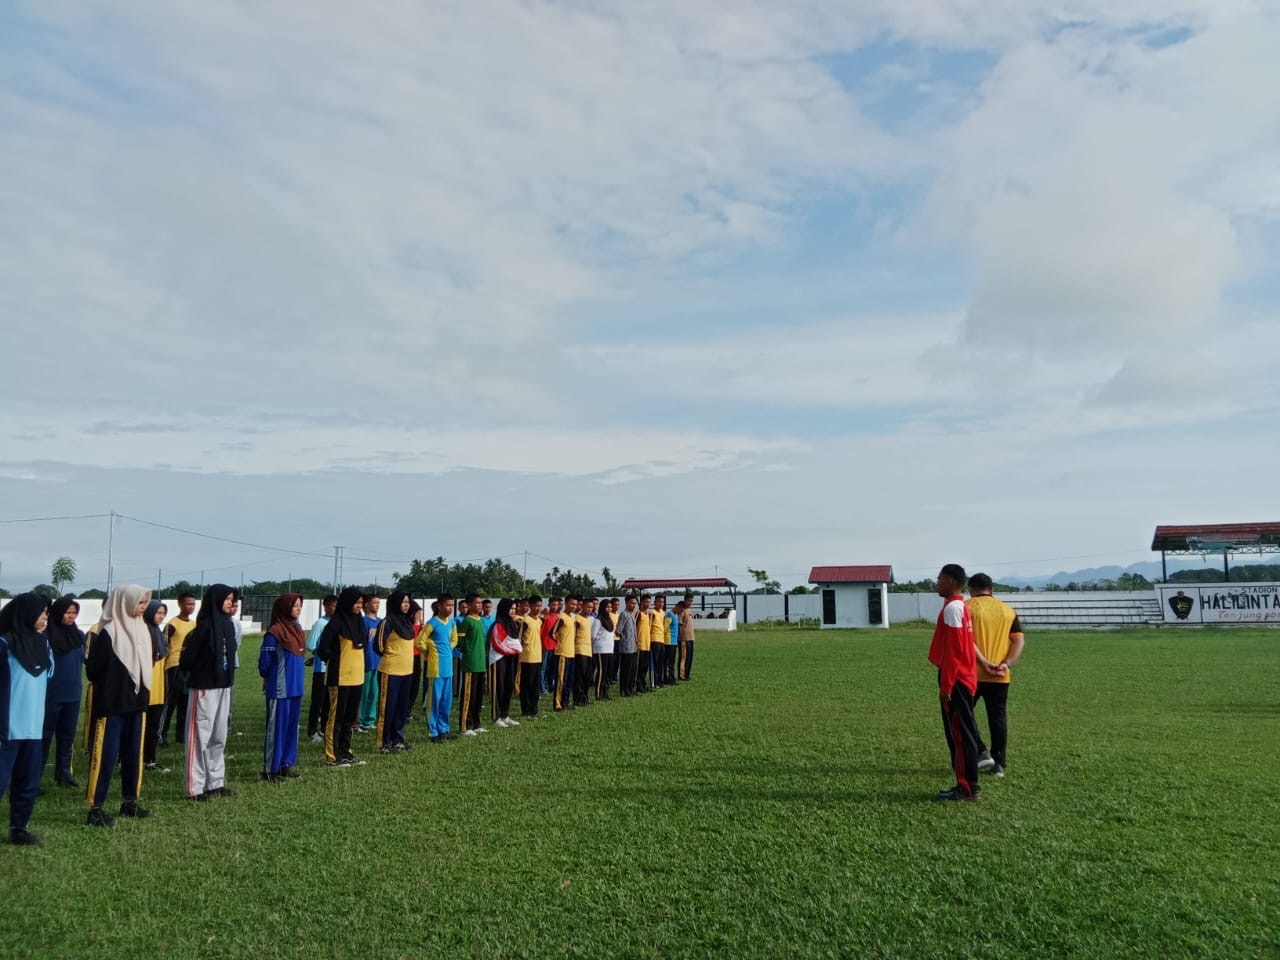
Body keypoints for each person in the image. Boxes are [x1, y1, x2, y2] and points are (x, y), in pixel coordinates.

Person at [85, 583, 155, 824]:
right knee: (106, 755)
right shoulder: (109, 632)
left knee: (133, 754)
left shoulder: (143, 629)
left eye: (145, 603)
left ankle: (129, 801)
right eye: (139, 602)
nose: (142, 607)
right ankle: (96, 807)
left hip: (137, 703)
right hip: (112, 704)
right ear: (124, 602)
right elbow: (93, 670)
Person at [1, 593, 52, 844]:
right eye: (41, 611)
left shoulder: (44, 644)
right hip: (6, 728)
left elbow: (46, 678)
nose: (45, 616)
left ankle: (19, 828)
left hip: (33, 727)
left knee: (28, 782)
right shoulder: (4, 644)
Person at [181, 584, 240, 801]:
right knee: (198, 737)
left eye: (231, 599)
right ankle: (194, 787)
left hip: (223, 685)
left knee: (219, 736)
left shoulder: (228, 625)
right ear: (215, 600)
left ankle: (215, 782)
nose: (230, 603)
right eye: (226, 599)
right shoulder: (204, 627)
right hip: (204, 687)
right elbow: (187, 659)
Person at [929, 564, 981, 801]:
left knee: (960, 735)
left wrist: (946, 686)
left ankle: (966, 787)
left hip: (956, 680)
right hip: (964, 678)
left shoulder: (953, 609)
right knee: (965, 733)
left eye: (939, 579)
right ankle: (970, 785)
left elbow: (953, 653)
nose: (936, 583)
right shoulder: (961, 606)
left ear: (950, 581)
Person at [966, 573, 1026, 779]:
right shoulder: (1008, 610)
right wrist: (1006, 664)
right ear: (991, 590)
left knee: (961, 713)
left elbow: (966, 640)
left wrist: (983, 662)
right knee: (998, 718)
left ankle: (981, 751)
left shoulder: (967, 607)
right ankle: (999, 764)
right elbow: (1018, 641)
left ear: (970, 589)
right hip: (1000, 675)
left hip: (971, 673)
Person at [317, 587, 368, 767]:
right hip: (339, 677)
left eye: (361, 603)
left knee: (349, 718)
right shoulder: (336, 623)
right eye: (356, 603)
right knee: (336, 717)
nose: (359, 606)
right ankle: (333, 755)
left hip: (357, 676)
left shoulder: (360, 622)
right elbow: (323, 649)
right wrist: (335, 658)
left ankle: (346, 751)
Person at [259, 593, 306, 782]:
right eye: (295, 606)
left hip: (296, 687)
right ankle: (271, 769)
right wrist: (268, 679)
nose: (298, 609)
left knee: (292, 728)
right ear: (285, 608)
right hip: (280, 689)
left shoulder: (298, 629)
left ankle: (286, 764)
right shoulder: (275, 632)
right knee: (276, 730)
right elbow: (265, 663)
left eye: (300, 606)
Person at [42, 595, 85, 789]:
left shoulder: (79, 636)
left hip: (73, 693)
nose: (71, 616)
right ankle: (35, 776)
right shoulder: (47, 637)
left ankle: (63, 774)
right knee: (44, 737)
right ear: (58, 613)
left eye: (74, 613)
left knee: (67, 737)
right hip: (51, 694)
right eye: (67, 612)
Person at [374, 590, 416, 754]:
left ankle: (397, 739)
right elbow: (378, 645)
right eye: (403, 602)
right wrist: (391, 655)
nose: (406, 605)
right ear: (395, 603)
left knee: (401, 707)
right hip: (390, 671)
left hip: (407, 671)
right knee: (387, 708)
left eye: (408, 602)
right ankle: (383, 742)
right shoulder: (387, 621)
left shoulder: (407, 622)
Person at [159, 592, 197, 746]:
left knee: (185, 702)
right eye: (188, 603)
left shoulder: (194, 624)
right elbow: (163, 645)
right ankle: (161, 734)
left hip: (188, 667)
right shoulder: (172, 624)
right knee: (170, 702)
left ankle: (181, 735)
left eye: (193, 604)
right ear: (180, 604)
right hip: (174, 665)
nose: (191, 607)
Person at [423, 596, 458, 743]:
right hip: (435, 669)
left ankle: (444, 729)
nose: (450, 608)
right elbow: (420, 641)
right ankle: (433, 731)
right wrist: (431, 648)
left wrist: (448, 648)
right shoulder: (432, 623)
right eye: (447, 605)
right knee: (434, 701)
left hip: (448, 668)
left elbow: (455, 640)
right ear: (439, 606)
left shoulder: (452, 622)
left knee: (446, 700)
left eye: (452, 605)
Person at [142, 600, 170, 773]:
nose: (160, 616)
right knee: (139, 728)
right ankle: (130, 760)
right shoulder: (143, 632)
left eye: (162, 613)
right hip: (145, 689)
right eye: (158, 613)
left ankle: (150, 760)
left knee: (153, 727)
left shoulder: (159, 633)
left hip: (158, 689)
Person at [306, 595, 338, 743]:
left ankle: (325, 730)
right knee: (317, 701)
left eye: (336, 605)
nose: (335, 608)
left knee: (329, 702)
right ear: (325, 606)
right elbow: (311, 645)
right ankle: (312, 731)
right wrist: (324, 652)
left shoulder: (337, 623)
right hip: (321, 668)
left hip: (333, 669)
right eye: (332, 606)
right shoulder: (320, 624)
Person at [487, 598, 522, 728]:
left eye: (514, 609)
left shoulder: (513, 624)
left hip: (510, 659)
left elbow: (515, 641)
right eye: (510, 609)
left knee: (508, 686)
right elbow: (497, 643)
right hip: (498, 659)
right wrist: (512, 650)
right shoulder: (498, 624)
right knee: (499, 687)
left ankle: (505, 714)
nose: (513, 611)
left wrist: (514, 650)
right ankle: (496, 717)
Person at [457, 593, 488, 735]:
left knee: (478, 696)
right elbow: (460, 641)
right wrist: (468, 652)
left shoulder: (480, 620)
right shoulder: (466, 621)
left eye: (481, 602)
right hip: (470, 664)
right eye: (477, 603)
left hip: (481, 663)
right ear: (469, 605)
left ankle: (476, 724)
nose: (480, 605)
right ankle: (465, 726)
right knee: (468, 696)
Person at [358, 592, 383, 733]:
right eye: (374, 603)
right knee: (364, 692)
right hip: (366, 661)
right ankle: (359, 721)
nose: (377, 606)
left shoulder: (380, 621)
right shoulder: (363, 621)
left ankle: (370, 720)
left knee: (374, 692)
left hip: (378, 661)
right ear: (366, 604)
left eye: (378, 603)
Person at [518, 596, 543, 720]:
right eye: (536, 606)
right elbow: (519, 638)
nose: (538, 608)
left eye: (540, 606)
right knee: (527, 684)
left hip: (537, 656)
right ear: (530, 606)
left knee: (535, 686)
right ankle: (526, 710)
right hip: (527, 656)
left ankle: (534, 709)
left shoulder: (538, 620)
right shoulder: (525, 620)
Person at [552, 596, 578, 712]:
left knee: (569, 680)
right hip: (562, 653)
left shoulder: (572, 618)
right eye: (571, 604)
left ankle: (566, 702)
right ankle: (558, 704)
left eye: (575, 605)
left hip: (571, 653)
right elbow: (552, 633)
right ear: (566, 604)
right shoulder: (561, 617)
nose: (573, 606)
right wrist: (559, 642)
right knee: (561, 680)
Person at [592, 599, 615, 701]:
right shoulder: (598, 620)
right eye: (607, 607)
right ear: (602, 608)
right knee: (601, 672)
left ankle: (605, 692)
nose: (609, 609)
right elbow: (593, 635)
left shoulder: (609, 619)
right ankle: (599, 694)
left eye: (610, 607)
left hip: (609, 649)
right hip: (600, 649)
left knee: (607, 672)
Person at [617, 595, 639, 697]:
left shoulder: (632, 614)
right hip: (626, 647)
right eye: (631, 603)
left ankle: (631, 688)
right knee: (626, 670)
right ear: (626, 603)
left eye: (635, 603)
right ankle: (624, 690)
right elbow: (618, 630)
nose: (633, 605)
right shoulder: (624, 614)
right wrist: (625, 639)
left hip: (633, 646)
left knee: (633, 669)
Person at [573, 597, 593, 706]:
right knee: (579, 676)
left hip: (588, 650)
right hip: (579, 649)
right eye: (588, 607)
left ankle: (585, 697)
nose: (590, 609)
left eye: (591, 607)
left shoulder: (588, 620)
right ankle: (578, 698)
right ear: (582, 606)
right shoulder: (577, 618)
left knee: (587, 676)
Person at [540, 596, 563, 695]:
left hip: (555, 646)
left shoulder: (559, 618)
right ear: (549, 605)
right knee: (543, 669)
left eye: (556, 605)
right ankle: (542, 687)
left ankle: (551, 686)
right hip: (545, 646)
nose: (555, 606)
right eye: (553, 604)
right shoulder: (545, 617)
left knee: (552, 668)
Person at [635, 594, 654, 693]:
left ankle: (643, 684)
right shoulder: (638, 614)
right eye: (646, 602)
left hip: (647, 644)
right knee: (639, 667)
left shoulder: (649, 615)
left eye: (649, 602)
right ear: (641, 602)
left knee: (645, 667)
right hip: (640, 644)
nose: (648, 604)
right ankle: (637, 685)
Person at [678, 592, 697, 680]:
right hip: (684, 638)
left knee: (690, 656)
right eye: (689, 601)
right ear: (685, 600)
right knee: (684, 657)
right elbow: (679, 623)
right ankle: (682, 675)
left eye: (692, 601)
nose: (690, 603)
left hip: (691, 637)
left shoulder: (689, 610)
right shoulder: (681, 610)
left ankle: (687, 674)